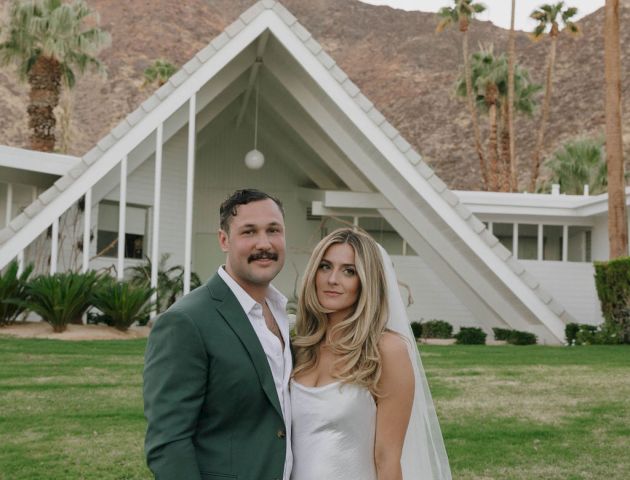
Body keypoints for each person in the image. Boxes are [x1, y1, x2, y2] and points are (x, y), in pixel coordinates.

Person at [143, 189, 293, 480]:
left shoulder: (279, 311)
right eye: (249, 232)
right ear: (224, 240)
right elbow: (168, 444)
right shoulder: (185, 322)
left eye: (273, 230)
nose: (264, 243)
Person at [290, 227, 452, 480]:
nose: (333, 279)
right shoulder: (298, 346)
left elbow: (387, 458)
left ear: (366, 281)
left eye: (349, 271)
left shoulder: (386, 350)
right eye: (325, 266)